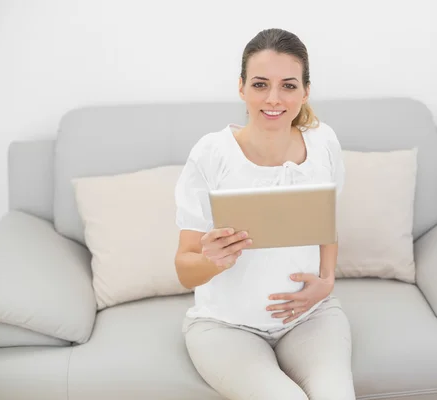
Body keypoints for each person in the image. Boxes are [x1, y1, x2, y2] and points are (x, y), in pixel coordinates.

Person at [174, 28, 355, 400]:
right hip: (226, 328)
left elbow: (327, 222)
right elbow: (183, 268)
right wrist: (214, 260)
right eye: (260, 84)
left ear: (305, 91)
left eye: (288, 86)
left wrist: (327, 280)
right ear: (241, 88)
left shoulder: (323, 142)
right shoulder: (211, 152)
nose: (274, 99)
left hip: (310, 317)